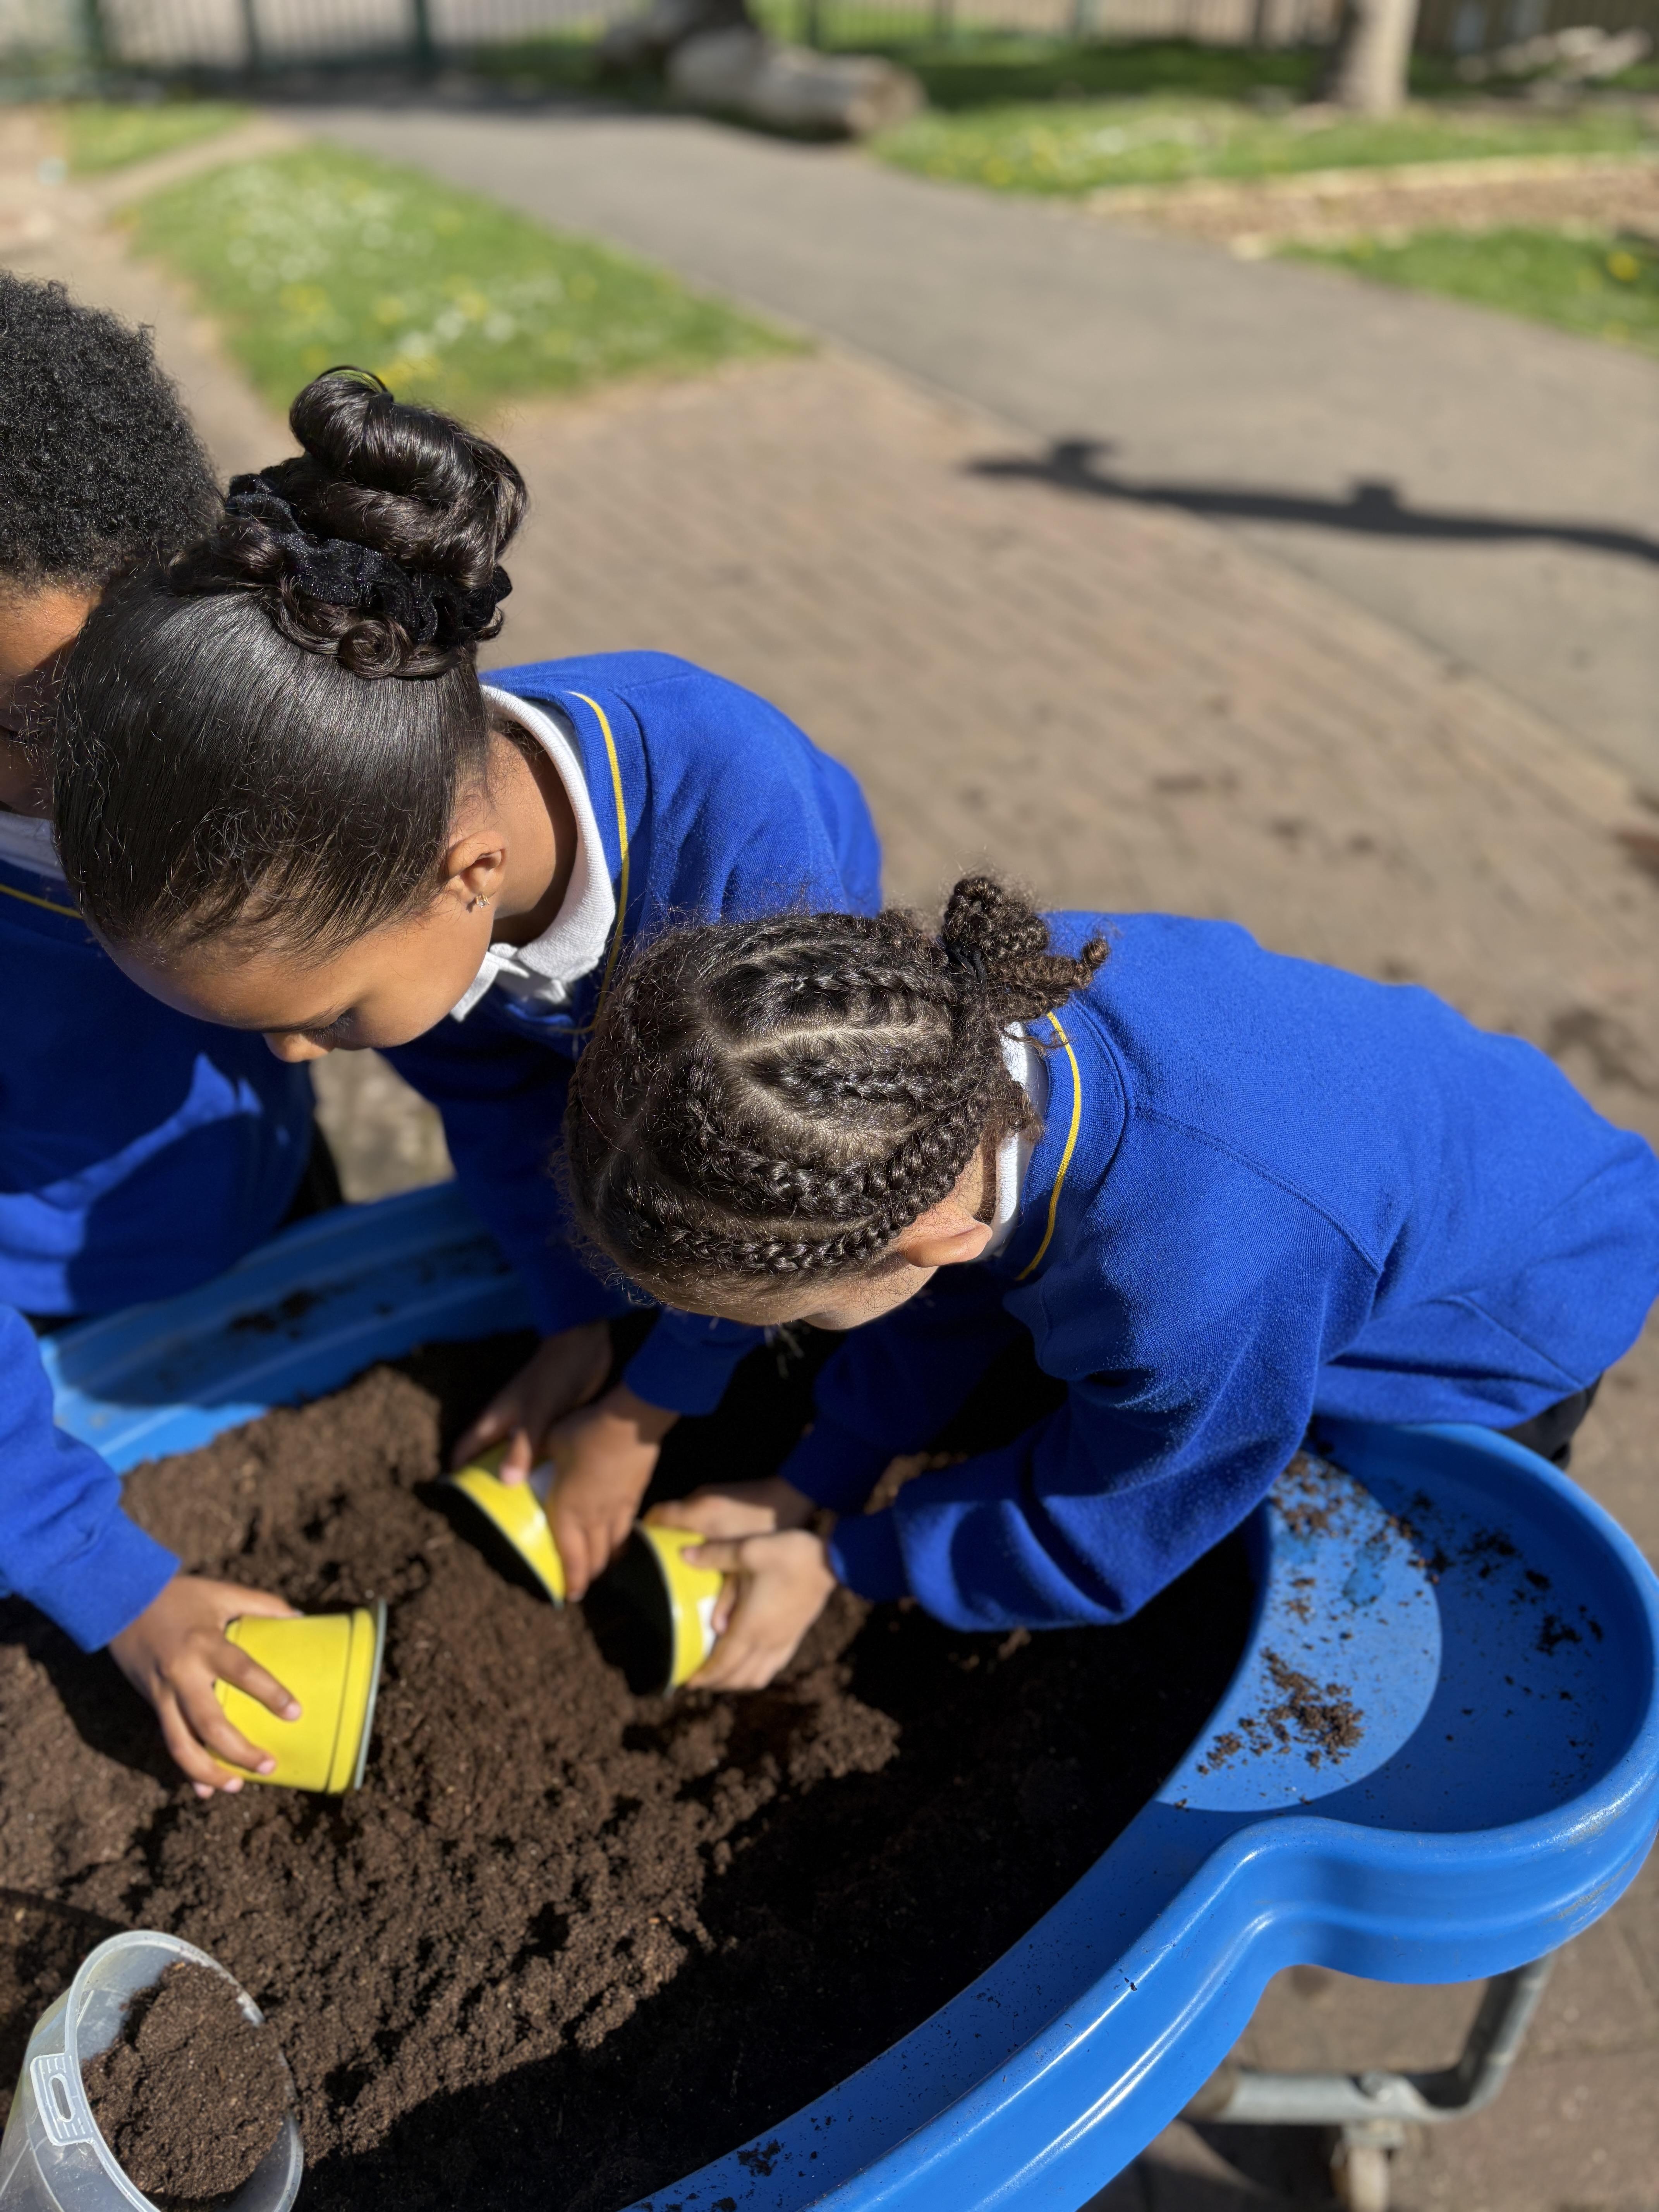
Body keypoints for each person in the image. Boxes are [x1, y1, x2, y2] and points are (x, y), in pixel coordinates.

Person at [52, 367, 882, 1622]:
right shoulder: (389, 887)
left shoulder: (737, 836)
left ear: (470, 876)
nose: (297, 1057)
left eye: (328, 1018)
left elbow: (768, 1194)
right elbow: (496, 1111)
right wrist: (570, 1320)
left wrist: (643, 1413)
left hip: (779, 1094)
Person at [560, 876, 1659, 1690]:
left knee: (1396, 1581)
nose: (803, 1329)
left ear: (933, 1235)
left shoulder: (1186, 1283)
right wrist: (818, 1473)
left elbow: (1128, 1509)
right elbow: (949, 1299)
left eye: (799, 1316)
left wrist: (846, 1562)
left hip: (1514, 1308)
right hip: (1428, 1145)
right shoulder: (958, 1035)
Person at [0, 276, 332, 1797]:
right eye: (27, 736)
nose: (76, 774)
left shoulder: (223, 725)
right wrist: (107, 1578)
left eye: (93, 705)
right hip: (49, 1342)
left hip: (274, 1198)